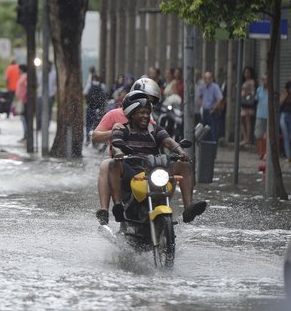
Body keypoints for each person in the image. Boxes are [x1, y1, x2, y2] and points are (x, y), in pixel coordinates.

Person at [95, 92, 206, 225]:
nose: (145, 116)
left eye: (147, 113)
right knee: (113, 163)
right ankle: (118, 205)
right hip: (132, 171)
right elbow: (115, 146)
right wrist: (118, 153)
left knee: (185, 166)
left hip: (154, 170)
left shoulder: (155, 130)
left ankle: (188, 207)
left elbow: (169, 142)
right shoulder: (122, 130)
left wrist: (181, 152)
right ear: (132, 114)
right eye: (141, 113)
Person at [91, 79, 162, 193]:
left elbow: (163, 139)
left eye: (150, 102)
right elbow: (95, 136)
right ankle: (105, 208)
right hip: (121, 159)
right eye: (143, 99)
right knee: (106, 166)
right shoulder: (114, 114)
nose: (145, 106)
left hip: (145, 161)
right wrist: (113, 131)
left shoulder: (150, 121)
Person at [197, 71, 223, 142]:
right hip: (205, 111)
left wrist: (214, 108)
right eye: (205, 78)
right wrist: (201, 105)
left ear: (212, 79)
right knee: (204, 131)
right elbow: (199, 97)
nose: (207, 80)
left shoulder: (215, 87)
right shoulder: (203, 87)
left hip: (211, 112)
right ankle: (205, 145)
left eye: (208, 78)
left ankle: (213, 146)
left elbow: (219, 99)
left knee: (213, 131)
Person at [84, 73, 107, 145]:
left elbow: (85, 93)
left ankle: (88, 139)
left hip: (90, 107)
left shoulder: (89, 85)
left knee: (88, 124)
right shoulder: (102, 85)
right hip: (99, 108)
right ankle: (95, 141)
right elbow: (105, 95)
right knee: (96, 124)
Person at [240, 66, 257, 147]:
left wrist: (246, 92)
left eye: (248, 72)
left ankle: (248, 139)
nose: (246, 74)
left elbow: (253, 93)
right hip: (243, 103)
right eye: (245, 72)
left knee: (247, 120)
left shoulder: (251, 82)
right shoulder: (243, 81)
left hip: (248, 103)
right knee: (242, 120)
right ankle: (245, 137)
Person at [254, 75, 269, 159]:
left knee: (267, 137)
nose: (265, 81)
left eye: (266, 79)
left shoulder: (272, 90)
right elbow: (256, 101)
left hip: (269, 117)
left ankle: (266, 153)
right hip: (260, 115)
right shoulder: (259, 90)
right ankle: (260, 153)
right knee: (259, 135)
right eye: (264, 80)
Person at [15, 64, 28, 141]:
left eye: (19, 69)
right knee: (22, 118)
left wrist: (23, 97)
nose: (18, 71)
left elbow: (26, 87)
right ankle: (25, 134)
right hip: (21, 100)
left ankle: (26, 134)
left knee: (24, 118)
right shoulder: (22, 76)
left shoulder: (25, 76)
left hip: (24, 100)